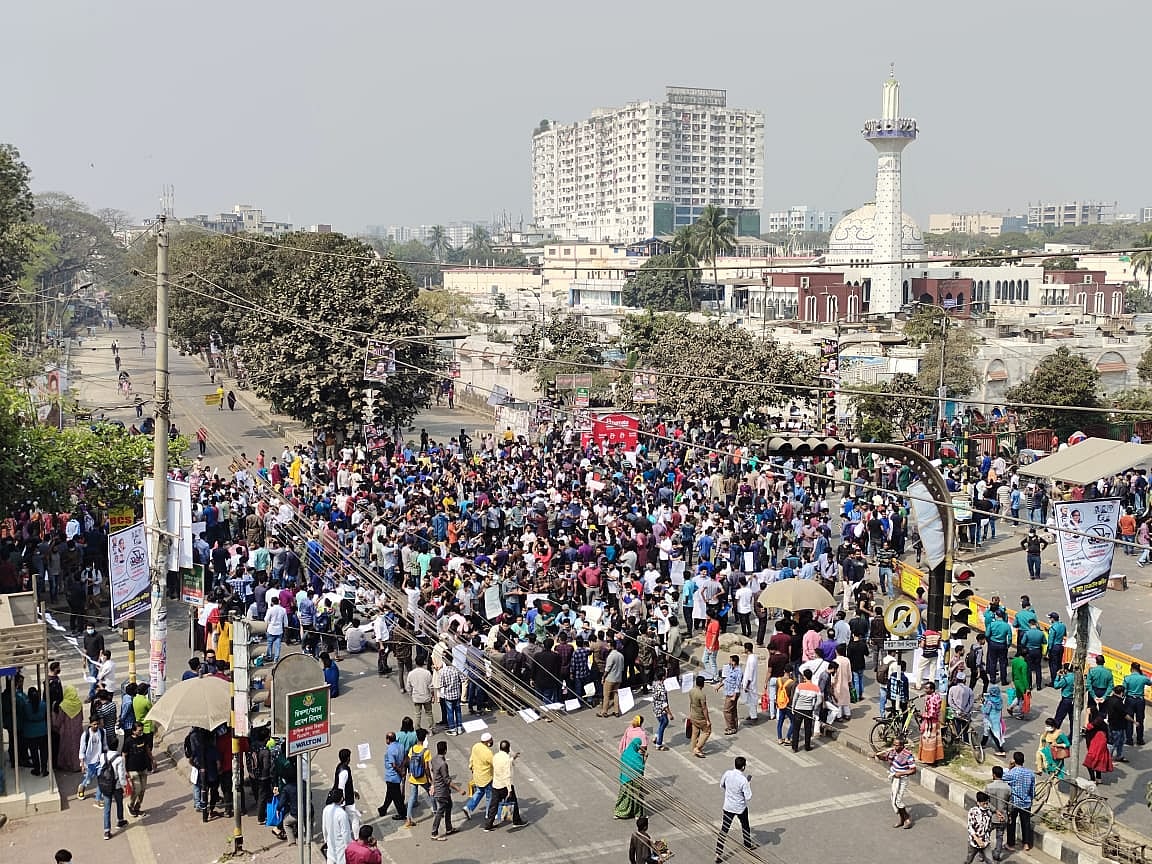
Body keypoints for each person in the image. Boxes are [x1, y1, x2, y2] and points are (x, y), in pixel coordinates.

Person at [715, 756, 754, 863]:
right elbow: (748, 796)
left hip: (728, 806)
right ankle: (748, 845)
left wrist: (730, 792)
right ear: (743, 767)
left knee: (724, 829)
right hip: (740, 807)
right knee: (745, 826)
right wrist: (748, 783)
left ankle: (718, 853)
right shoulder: (743, 780)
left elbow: (721, 785)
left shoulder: (727, 773)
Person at [484, 739, 526, 831]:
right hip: (504, 786)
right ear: (508, 749)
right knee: (513, 803)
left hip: (496, 784)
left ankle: (488, 825)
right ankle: (516, 821)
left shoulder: (496, 756)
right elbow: (507, 775)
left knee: (493, 805)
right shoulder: (506, 759)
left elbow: (502, 765)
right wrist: (509, 790)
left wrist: (513, 758)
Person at [875, 737, 916, 829]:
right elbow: (886, 758)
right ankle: (902, 819)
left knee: (897, 801)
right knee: (894, 800)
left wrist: (901, 773)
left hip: (902, 779)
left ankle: (907, 818)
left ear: (902, 746)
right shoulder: (893, 751)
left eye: (897, 745)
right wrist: (878, 756)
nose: (895, 747)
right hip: (894, 776)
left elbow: (913, 770)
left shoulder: (907, 755)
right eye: (894, 744)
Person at [429, 739, 464, 840]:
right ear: (445, 750)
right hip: (442, 790)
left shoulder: (434, 759)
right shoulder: (443, 764)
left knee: (449, 805)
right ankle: (434, 832)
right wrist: (459, 789)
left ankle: (449, 828)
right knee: (441, 810)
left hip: (438, 788)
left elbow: (433, 771)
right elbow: (447, 780)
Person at [1004, 751, 1034, 852]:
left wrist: (1009, 767)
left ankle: (1010, 844)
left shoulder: (1012, 773)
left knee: (1011, 823)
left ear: (1014, 760)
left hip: (1014, 802)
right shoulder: (1030, 773)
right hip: (1026, 802)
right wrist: (1031, 799)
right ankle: (1026, 844)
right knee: (1026, 823)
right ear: (1023, 761)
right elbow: (1032, 790)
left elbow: (1002, 778)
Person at [96, 743, 128, 840]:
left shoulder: (102, 756)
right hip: (116, 785)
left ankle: (107, 831)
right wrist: (124, 785)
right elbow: (121, 774)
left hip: (105, 785)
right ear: (117, 746)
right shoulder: (119, 759)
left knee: (107, 808)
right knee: (119, 803)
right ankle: (120, 820)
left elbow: (100, 769)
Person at [123, 722, 155, 817]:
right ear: (134, 731)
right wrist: (125, 770)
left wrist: (153, 760)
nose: (141, 732)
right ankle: (130, 805)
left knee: (143, 790)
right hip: (133, 769)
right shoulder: (128, 741)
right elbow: (124, 755)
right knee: (137, 789)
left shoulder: (144, 737)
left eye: (142, 730)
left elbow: (147, 750)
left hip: (143, 767)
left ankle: (137, 807)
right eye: (139, 730)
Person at [402, 728, 433, 827]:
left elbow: (410, 761)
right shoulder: (426, 751)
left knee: (411, 797)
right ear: (424, 739)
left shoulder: (412, 749)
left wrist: (410, 773)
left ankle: (408, 819)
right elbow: (427, 767)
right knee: (431, 793)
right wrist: (430, 779)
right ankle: (436, 811)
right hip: (422, 777)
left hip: (413, 777)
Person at [462, 732, 495, 820]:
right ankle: (488, 814)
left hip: (477, 776)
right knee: (489, 796)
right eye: (491, 740)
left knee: (479, 792)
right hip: (487, 778)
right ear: (487, 741)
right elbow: (494, 764)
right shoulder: (488, 753)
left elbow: (471, 759)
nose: (492, 741)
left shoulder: (476, 746)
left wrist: (471, 768)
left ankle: (468, 807)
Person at [377, 731, 407, 821]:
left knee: (396, 796)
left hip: (392, 775)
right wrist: (402, 768)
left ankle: (402, 813)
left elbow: (393, 765)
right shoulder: (401, 746)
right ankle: (383, 809)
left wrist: (400, 771)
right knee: (390, 793)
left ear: (388, 740)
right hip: (397, 775)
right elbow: (405, 757)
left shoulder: (390, 749)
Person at [614, 737, 647, 820]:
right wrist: (645, 758)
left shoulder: (625, 753)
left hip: (625, 778)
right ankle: (637, 814)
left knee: (624, 795)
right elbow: (641, 768)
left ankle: (619, 812)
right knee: (636, 797)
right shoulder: (637, 756)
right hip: (635, 779)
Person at [790, 668, 821, 753]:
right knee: (808, 729)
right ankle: (807, 746)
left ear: (804, 677)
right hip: (808, 710)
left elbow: (795, 698)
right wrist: (814, 707)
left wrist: (793, 707)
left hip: (799, 709)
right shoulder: (816, 688)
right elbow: (819, 700)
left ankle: (795, 747)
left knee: (796, 729)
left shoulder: (800, 686)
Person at [984, 765, 1011, 862]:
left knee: (985, 834)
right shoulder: (1008, 788)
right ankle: (997, 854)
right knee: (1000, 836)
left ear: (994, 775)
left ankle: (983, 854)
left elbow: (985, 802)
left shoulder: (989, 787)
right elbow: (1010, 805)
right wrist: (1009, 814)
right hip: (1003, 817)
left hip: (991, 816)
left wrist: (994, 810)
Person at [332, 748, 361, 837]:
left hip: (345, 799)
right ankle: (356, 838)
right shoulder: (344, 771)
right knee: (354, 818)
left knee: (347, 819)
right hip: (346, 801)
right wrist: (343, 803)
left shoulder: (340, 766)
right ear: (348, 758)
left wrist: (354, 791)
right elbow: (341, 787)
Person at [1122, 661, 1151, 746]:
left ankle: (1129, 739)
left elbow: (1124, 689)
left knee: (1129, 720)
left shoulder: (1127, 678)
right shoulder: (1143, 678)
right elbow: (1149, 683)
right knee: (1140, 720)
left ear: (1132, 669)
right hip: (1140, 701)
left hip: (1130, 700)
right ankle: (1140, 739)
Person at [1082, 706, 1114, 783]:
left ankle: (1093, 779)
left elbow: (1086, 726)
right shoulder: (1098, 718)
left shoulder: (1098, 720)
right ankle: (1098, 778)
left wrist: (1086, 715)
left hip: (1097, 743)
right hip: (1097, 742)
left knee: (1090, 761)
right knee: (1097, 760)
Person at [321, 788, 352, 864]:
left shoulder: (326, 809)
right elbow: (345, 833)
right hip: (341, 846)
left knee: (330, 860)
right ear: (341, 799)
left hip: (330, 842)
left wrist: (326, 840)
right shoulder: (342, 814)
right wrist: (348, 846)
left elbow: (324, 827)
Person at [917, 681, 944, 766]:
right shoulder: (936, 696)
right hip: (935, 722)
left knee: (928, 742)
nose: (925, 690)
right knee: (935, 742)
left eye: (927, 688)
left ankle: (930, 760)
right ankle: (934, 759)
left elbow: (931, 714)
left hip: (930, 723)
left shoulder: (932, 699)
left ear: (932, 689)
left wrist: (922, 715)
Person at [965, 792, 994, 864]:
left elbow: (989, 826)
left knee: (991, 861)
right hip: (974, 843)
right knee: (969, 860)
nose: (986, 805)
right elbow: (970, 827)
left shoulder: (989, 812)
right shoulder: (973, 812)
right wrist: (977, 839)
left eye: (987, 803)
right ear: (978, 803)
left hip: (985, 842)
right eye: (984, 803)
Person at [716, 654, 742, 735]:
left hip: (732, 694)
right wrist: (719, 685)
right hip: (728, 692)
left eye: (730, 660)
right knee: (732, 710)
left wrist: (734, 695)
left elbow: (738, 684)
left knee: (726, 710)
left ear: (734, 662)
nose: (729, 662)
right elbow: (727, 679)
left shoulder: (738, 672)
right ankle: (734, 726)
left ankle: (731, 727)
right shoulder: (731, 668)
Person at [406, 657, 435, 730]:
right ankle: (431, 729)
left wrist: (411, 694)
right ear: (423, 663)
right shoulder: (427, 673)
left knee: (417, 715)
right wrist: (433, 695)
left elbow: (408, 686)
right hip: (426, 697)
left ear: (416, 663)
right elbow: (431, 686)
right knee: (429, 713)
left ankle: (417, 729)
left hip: (416, 697)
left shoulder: (411, 673)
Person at [688, 675, 712, 758]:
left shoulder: (691, 691)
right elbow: (704, 708)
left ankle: (694, 747)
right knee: (707, 731)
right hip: (700, 717)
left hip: (693, 715)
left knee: (695, 732)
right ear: (703, 684)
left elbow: (691, 703)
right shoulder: (701, 695)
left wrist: (690, 713)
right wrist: (708, 720)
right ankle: (697, 748)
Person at [598, 640, 624, 717]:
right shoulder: (621, 655)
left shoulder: (611, 656)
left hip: (610, 678)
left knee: (606, 695)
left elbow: (607, 669)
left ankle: (604, 711)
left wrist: (603, 677)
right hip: (618, 678)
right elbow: (622, 668)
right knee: (616, 694)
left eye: (608, 646)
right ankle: (616, 711)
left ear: (611, 646)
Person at [981, 684, 1007, 758]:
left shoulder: (990, 702)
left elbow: (986, 711)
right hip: (997, 720)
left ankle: (1001, 750)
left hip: (990, 721)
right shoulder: (1000, 700)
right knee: (987, 732)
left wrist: (982, 705)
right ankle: (982, 744)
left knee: (994, 736)